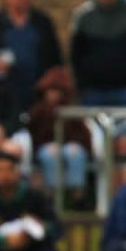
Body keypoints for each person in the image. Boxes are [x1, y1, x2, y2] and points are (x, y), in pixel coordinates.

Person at [0, 0, 64, 121]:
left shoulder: (43, 23)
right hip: (2, 95)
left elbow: (55, 60)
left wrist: (52, 86)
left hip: (37, 95)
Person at [27, 67, 92, 207]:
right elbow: (33, 137)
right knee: (50, 154)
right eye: (50, 91)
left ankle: (77, 196)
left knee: (75, 153)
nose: (53, 95)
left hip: (70, 145)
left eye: (57, 91)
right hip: (45, 147)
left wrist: (76, 144)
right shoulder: (37, 112)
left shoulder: (72, 110)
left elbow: (84, 134)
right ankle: (52, 197)